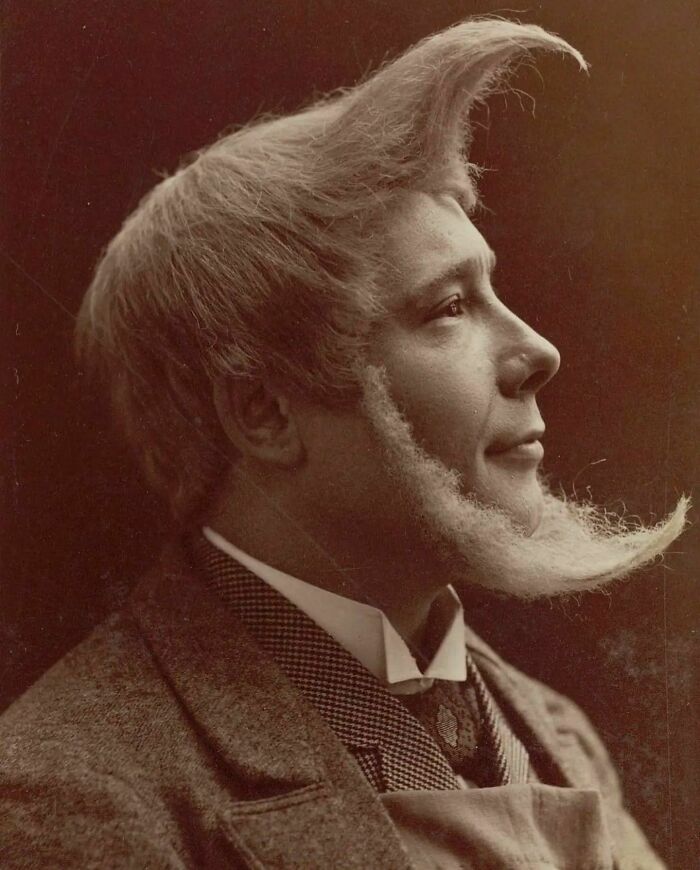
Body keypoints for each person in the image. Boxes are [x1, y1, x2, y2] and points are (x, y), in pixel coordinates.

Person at [0, 16, 687, 869]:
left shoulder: (560, 739)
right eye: (449, 308)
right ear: (265, 413)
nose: (537, 352)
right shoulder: (66, 795)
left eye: (492, 292)